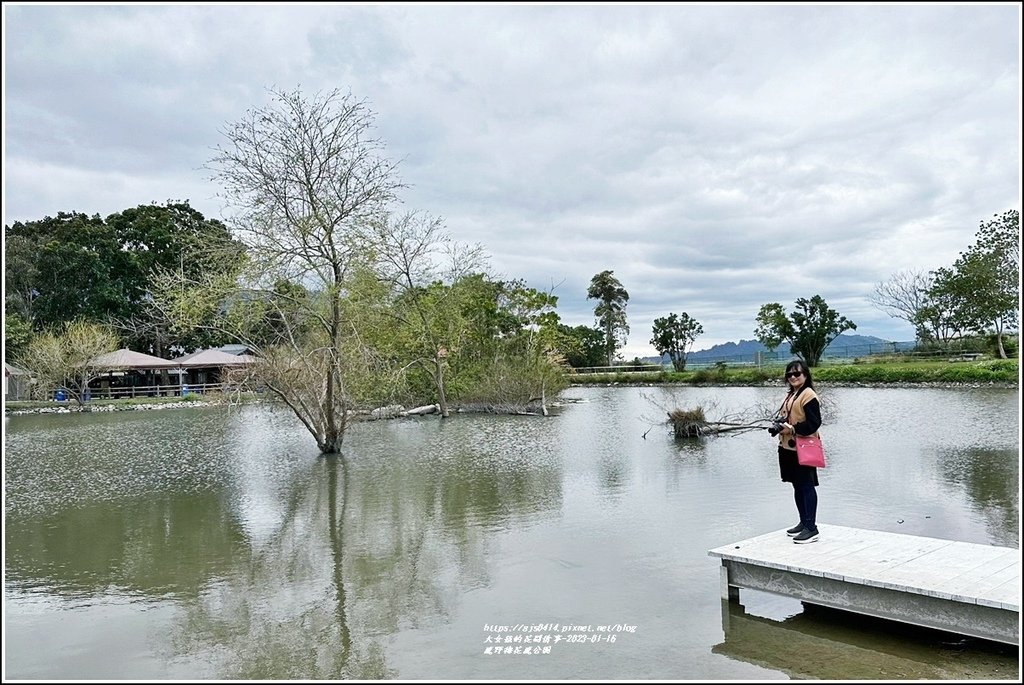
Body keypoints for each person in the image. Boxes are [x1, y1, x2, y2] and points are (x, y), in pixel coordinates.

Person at [771, 359, 823, 544]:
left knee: (806, 485)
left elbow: (814, 423)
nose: (793, 377)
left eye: (797, 374)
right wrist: (779, 425)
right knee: (797, 485)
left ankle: (812, 528)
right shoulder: (792, 394)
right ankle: (803, 522)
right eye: (789, 374)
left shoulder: (808, 395)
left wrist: (791, 429)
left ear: (805, 375)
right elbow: (789, 417)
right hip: (788, 448)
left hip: (804, 448)